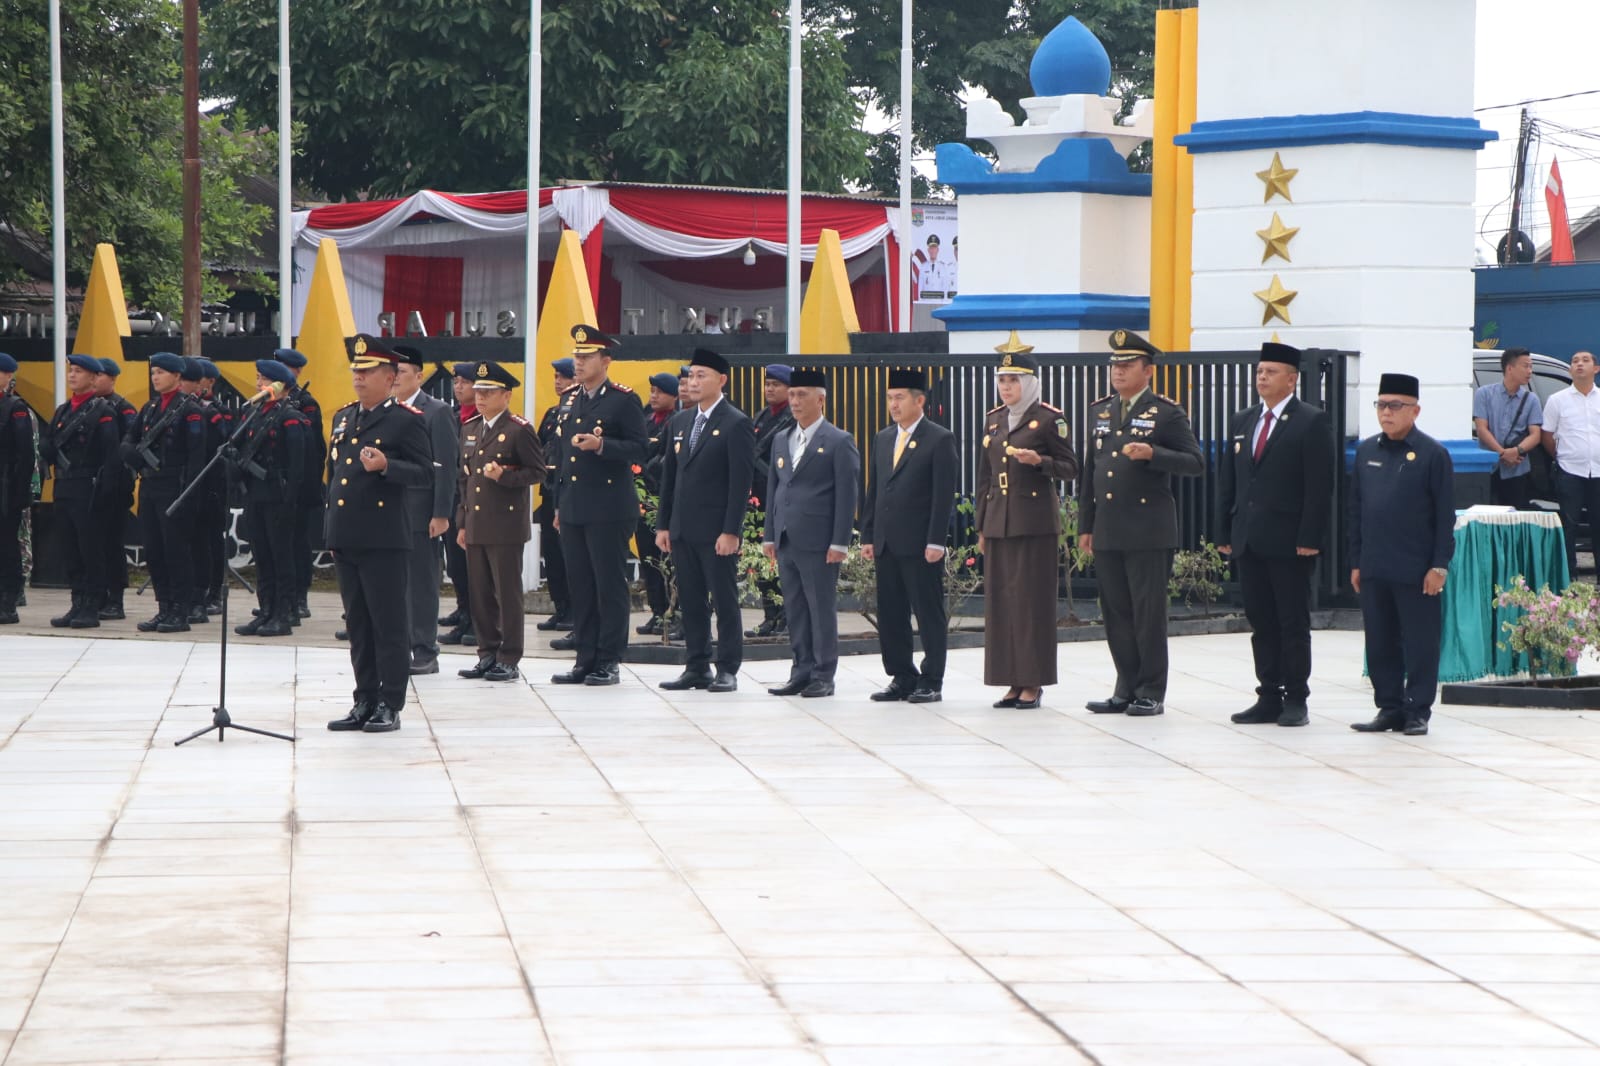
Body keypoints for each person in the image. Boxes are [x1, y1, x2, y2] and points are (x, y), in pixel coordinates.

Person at [1078, 330, 1205, 717]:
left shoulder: (1166, 412)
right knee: (1115, 612)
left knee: (1147, 614)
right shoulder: (1100, 410)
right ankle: (1125, 686)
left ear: (1147, 371)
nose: (1118, 372)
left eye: (1127, 365)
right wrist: (1086, 524)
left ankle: (1151, 689)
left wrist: (1154, 453)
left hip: (1148, 528)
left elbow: (1195, 463)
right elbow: (1090, 470)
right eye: (1115, 365)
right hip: (1109, 528)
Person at [1218, 341, 1335, 728]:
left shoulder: (1310, 420)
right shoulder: (1243, 420)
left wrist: (1310, 537)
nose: (1262, 377)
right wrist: (1225, 530)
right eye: (1259, 371)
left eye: (1270, 372)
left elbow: (1319, 487)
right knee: (1261, 620)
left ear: (1292, 379)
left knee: (1291, 621)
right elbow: (1230, 481)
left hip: (1289, 540)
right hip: (1249, 538)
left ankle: (1296, 697)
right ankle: (1268, 694)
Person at [324, 335, 434, 734]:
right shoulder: (345, 416)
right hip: (348, 534)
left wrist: (389, 466)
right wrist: (332, 533)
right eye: (356, 369)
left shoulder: (406, 420)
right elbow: (334, 478)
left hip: (384, 537)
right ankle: (364, 698)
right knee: (358, 625)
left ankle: (390, 702)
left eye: (367, 371)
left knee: (388, 625)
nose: (358, 376)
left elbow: (425, 473)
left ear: (390, 377)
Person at [974, 338, 1079, 709]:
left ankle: (1033, 681)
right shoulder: (994, 419)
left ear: (1030, 383)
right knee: (1002, 604)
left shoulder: (1050, 419)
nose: (1006, 387)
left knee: (1031, 603)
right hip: (1000, 521)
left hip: (1034, 523)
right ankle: (1011, 680)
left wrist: (1041, 462)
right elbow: (984, 476)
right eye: (1002, 379)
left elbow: (1070, 467)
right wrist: (982, 526)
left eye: (1014, 380)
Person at [1349, 373, 1454, 736]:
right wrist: (1357, 561)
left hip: (1416, 567)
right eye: (1381, 405)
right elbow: (1357, 510)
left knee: (1421, 641)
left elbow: (1444, 516)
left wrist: (1439, 564)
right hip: (1376, 564)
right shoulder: (1366, 451)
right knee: (1379, 640)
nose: (1386, 413)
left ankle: (1417, 711)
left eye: (1395, 406)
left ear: (1415, 410)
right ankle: (1389, 708)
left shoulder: (1432, 454)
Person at [549, 325, 650, 687]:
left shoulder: (623, 400)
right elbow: (562, 458)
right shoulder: (573, 398)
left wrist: (603, 446)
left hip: (609, 506)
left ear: (605, 361)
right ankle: (585, 658)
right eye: (576, 356)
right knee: (582, 585)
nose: (578, 362)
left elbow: (641, 448)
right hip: (575, 506)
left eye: (586, 356)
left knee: (609, 585)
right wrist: (560, 504)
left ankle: (609, 659)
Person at [656, 348, 756, 693]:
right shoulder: (681, 422)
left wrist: (732, 531)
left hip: (716, 532)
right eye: (691, 376)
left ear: (722, 381)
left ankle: (727, 667)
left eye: (702, 376)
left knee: (724, 601)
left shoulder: (735, 422)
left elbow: (740, 484)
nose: (693, 382)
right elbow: (669, 477)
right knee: (692, 601)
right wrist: (664, 524)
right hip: (683, 529)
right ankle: (696, 665)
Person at [861, 369, 958, 703]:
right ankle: (902, 675)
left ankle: (932, 678)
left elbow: (942, 494)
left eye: (900, 397)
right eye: (890, 398)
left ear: (920, 400)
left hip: (919, 544)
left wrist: (936, 540)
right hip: (887, 542)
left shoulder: (939, 438)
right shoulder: (884, 437)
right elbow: (875, 490)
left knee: (927, 610)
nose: (893, 404)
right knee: (891, 613)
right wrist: (868, 535)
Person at [763, 368, 859, 698]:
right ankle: (800, 669)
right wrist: (770, 534)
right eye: (792, 395)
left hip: (820, 540)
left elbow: (847, 496)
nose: (794, 401)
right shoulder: (781, 439)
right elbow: (775, 488)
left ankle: (823, 672)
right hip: (788, 536)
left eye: (802, 395)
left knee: (820, 607)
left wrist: (840, 542)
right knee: (795, 607)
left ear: (821, 399)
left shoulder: (838, 440)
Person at [455, 361, 547, 683]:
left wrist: (505, 476)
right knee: (479, 593)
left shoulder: (519, 430)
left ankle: (509, 656)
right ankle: (487, 652)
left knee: (506, 594)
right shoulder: (470, 429)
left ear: (506, 396)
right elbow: (463, 480)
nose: (480, 398)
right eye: (478, 391)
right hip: (477, 523)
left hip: (506, 526)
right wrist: (462, 522)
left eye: (488, 392)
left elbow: (537, 472)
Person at [120, 353, 208, 633]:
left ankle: (180, 610)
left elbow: (197, 457)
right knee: (154, 550)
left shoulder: (190, 410)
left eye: (160, 372)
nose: (155, 377)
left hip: (175, 488)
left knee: (175, 551)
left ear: (177, 376)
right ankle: (164, 607)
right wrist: (133, 455)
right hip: (149, 486)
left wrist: (188, 495)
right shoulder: (150, 409)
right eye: (153, 372)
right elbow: (128, 440)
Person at [390, 345, 459, 675]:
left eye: (402, 372)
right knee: (394, 582)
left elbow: (446, 465)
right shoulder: (385, 409)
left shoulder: (436, 411)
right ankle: (399, 641)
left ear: (418, 375)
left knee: (421, 582)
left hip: (421, 510)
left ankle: (424, 647)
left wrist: (442, 512)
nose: (396, 378)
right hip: (388, 510)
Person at [41, 354, 119, 628]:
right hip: (64, 486)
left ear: (94, 378)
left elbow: (111, 457)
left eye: (79, 371)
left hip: (88, 488)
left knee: (90, 548)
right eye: (71, 371)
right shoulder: (63, 411)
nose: (72, 375)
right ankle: (77, 602)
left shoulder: (103, 411)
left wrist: (106, 494)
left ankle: (92, 605)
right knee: (70, 548)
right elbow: (48, 443)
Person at [231, 360, 307, 637]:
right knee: (261, 556)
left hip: (278, 496)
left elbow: (298, 466)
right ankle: (265, 611)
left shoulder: (290, 417)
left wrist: (289, 500)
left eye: (265, 380)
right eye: (258, 378)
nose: (259, 384)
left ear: (281, 385)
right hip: (255, 494)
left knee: (280, 556)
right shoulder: (255, 413)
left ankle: (283, 614)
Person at [1540, 350, 1600, 584]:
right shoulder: (1558, 400)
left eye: (1585, 361)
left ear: (1596, 369)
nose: (1579, 364)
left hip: (1598, 472)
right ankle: (1570, 577)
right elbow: (1547, 435)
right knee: (1569, 526)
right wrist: (1562, 457)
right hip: (1570, 472)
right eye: (1575, 361)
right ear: (1570, 370)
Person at [274, 346, 325, 619]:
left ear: (296, 371)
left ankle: (300, 595)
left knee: (298, 542)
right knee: (276, 543)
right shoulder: (268, 401)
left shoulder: (306, 403)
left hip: (300, 484)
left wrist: (307, 485)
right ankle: (278, 599)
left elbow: (315, 448)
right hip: (273, 487)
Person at [747, 363, 794, 638]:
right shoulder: (761, 417)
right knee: (762, 561)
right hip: (757, 501)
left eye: (776, 385)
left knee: (783, 561)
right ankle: (770, 616)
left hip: (779, 499)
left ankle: (787, 616)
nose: (769, 389)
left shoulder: (791, 419)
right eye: (767, 384)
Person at [92, 358, 138, 620]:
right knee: (93, 544)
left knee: (111, 543)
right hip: (92, 485)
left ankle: (115, 598)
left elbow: (127, 448)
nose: (96, 380)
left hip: (116, 486)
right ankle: (96, 594)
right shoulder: (88, 407)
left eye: (100, 375)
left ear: (111, 378)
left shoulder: (124, 409)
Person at [636, 370, 679, 636]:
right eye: (652, 391)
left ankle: (670, 612)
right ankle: (656, 611)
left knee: (667, 560)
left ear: (673, 396)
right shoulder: (646, 420)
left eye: (659, 392)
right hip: (643, 500)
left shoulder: (675, 422)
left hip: (663, 499)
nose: (654, 396)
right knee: (648, 559)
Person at [1472, 347, 1543, 509]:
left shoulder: (1531, 400)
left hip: (1517, 469)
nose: (1529, 371)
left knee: (1514, 517)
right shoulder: (1484, 394)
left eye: (1531, 367)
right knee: (1486, 514)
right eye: (1525, 366)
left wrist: (1516, 451)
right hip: (1488, 467)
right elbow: (1482, 429)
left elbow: (1535, 435)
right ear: (1509, 368)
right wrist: (1503, 453)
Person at [534, 357, 575, 633]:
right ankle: (560, 607)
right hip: (549, 491)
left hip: (570, 492)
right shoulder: (551, 413)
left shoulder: (578, 413)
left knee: (569, 554)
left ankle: (574, 610)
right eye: (556, 376)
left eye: (564, 377)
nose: (558, 381)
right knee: (552, 554)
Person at [440, 362, 478, 646]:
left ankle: (476, 620)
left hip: (475, 502)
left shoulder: (482, 419)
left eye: (465, 382)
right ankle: (464, 609)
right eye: (456, 382)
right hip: (454, 498)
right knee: (455, 563)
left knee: (473, 565)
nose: (459, 387)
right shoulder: (453, 417)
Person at [192, 358, 234, 616]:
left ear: (210, 382)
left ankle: (214, 591)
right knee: (195, 540)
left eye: (200, 380)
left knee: (213, 540)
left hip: (214, 483)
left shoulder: (222, 411)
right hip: (193, 483)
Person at [0, 352, 33, 624]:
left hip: (6, 488)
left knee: (6, 546)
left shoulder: (15, 407)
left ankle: (8, 600)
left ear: (8, 376)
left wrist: (20, 493)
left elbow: (25, 455)